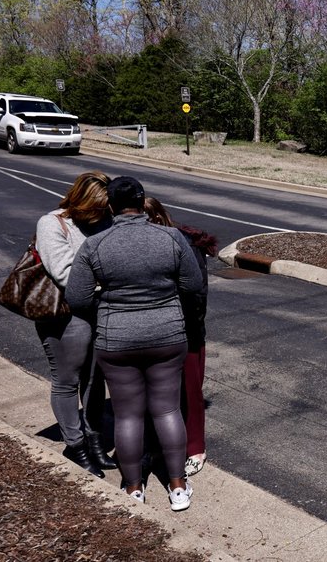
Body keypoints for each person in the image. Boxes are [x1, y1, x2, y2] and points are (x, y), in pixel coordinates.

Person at [65, 176, 203, 511]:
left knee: (127, 416)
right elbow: (194, 285)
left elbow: (77, 298)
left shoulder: (95, 245)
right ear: (143, 203)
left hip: (118, 339)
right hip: (167, 335)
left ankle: (133, 489)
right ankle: (177, 486)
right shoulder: (171, 238)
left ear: (110, 206)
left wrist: (110, 300)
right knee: (168, 409)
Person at [35, 170, 115, 478]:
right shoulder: (53, 223)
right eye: (96, 207)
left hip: (98, 311)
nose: (101, 214)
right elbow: (66, 274)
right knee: (67, 379)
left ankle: (95, 443)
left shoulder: (104, 221)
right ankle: (75, 445)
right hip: (63, 313)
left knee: (95, 381)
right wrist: (109, 281)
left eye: (105, 208)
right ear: (81, 201)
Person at [143, 197, 217, 476]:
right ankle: (163, 444)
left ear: (157, 219)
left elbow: (198, 294)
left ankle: (195, 447)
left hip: (187, 331)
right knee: (161, 393)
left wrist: (187, 327)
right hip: (158, 331)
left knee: (189, 391)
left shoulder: (184, 245)